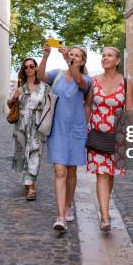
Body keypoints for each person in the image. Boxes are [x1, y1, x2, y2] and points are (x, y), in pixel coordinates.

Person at [38, 44, 91, 232]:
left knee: (71, 171)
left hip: (76, 130)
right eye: (72, 54)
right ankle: (60, 215)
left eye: (77, 56)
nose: (74, 57)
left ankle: (68, 205)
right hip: (57, 129)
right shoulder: (58, 74)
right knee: (60, 170)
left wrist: (68, 60)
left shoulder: (86, 79)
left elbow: (78, 81)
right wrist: (45, 56)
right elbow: (40, 77)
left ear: (82, 61)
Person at [85, 47, 133, 232]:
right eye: (103, 55)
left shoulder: (126, 83)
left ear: (118, 60)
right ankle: (105, 216)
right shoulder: (93, 81)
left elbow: (130, 107)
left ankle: (104, 206)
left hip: (118, 136)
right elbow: (88, 106)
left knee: (110, 173)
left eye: (109, 55)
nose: (105, 58)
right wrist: (84, 128)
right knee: (102, 174)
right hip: (97, 133)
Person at [9, 58, 50, 201]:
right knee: (22, 154)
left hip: (37, 125)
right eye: (26, 67)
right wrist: (13, 98)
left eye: (31, 66)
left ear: (36, 68)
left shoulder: (45, 88)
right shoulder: (21, 88)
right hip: (21, 125)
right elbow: (11, 105)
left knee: (34, 154)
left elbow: (49, 107)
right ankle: (27, 182)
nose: (28, 69)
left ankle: (31, 185)